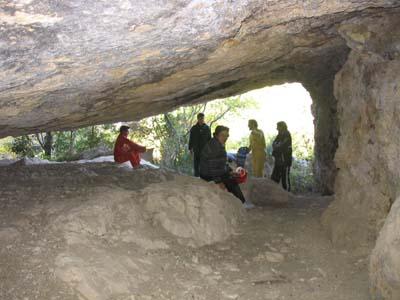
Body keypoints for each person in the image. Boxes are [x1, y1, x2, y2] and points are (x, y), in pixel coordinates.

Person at [200, 125, 255, 209]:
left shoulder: (218, 143)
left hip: (213, 171)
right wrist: (218, 181)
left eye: (227, 135)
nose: (225, 137)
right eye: (222, 135)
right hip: (208, 174)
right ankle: (242, 203)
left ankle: (240, 201)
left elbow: (221, 162)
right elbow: (212, 166)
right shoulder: (214, 146)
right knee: (231, 180)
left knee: (231, 175)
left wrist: (229, 170)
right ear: (216, 135)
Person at [271, 121, 292, 191]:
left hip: (285, 160)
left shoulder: (287, 134)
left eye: (278, 126)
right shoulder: (279, 135)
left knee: (284, 178)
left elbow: (282, 145)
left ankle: (287, 194)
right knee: (274, 177)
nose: (276, 128)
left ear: (282, 127)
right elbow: (274, 143)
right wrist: (277, 145)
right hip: (278, 160)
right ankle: (275, 192)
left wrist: (277, 145)